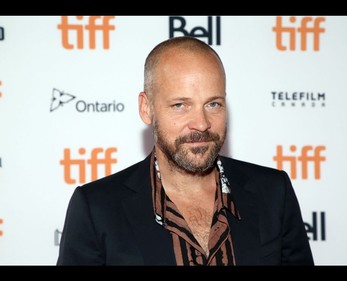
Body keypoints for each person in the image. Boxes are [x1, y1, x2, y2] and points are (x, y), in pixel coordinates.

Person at [57, 36, 314, 266]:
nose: (201, 123)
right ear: (146, 108)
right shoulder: (97, 208)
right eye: (180, 105)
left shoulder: (273, 192)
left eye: (213, 104)